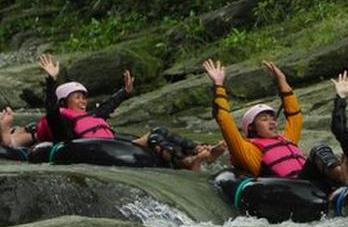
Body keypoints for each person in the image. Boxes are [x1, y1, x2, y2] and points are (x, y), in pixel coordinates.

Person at [34, 54, 223, 171]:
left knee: (159, 132)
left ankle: (200, 150)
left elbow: (108, 107)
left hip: (114, 144)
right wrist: (51, 79)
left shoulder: (90, 117)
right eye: (77, 97)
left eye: (84, 97)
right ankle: (187, 162)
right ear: (64, 102)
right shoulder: (62, 122)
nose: (83, 101)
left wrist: (124, 92)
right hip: (94, 149)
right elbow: (51, 111)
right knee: (153, 139)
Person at [203, 58, 348, 189]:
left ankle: (343, 179)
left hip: (311, 182)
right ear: (252, 128)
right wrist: (218, 85)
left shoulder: (286, 139)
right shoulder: (248, 151)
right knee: (318, 150)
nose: (271, 122)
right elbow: (224, 120)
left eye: (272, 118)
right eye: (264, 119)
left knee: (327, 151)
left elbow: (294, 115)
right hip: (291, 189)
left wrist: (282, 80)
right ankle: (342, 177)